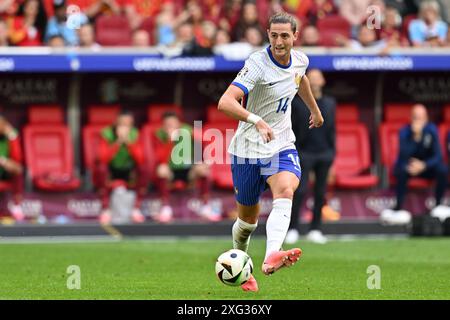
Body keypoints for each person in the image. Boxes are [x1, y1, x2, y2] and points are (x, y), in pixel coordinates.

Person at [217, 12, 323, 292]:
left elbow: (301, 81)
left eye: (285, 35)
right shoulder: (257, 64)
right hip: (247, 149)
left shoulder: (301, 60)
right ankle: (243, 268)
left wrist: (314, 109)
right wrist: (256, 119)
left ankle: (272, 254)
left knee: (286, 189)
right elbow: (225, 102)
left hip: (281, 143)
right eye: (274, 35)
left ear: (295, 36)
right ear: (268, 35)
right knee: (246, 223)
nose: (279, 41)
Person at [285, 69, 335, 245]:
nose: (314, 81)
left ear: (322, 81)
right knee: (299, 191)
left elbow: (332, 131)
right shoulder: (298, 103)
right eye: (310, 78)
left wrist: (332, 154)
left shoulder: (330, 103)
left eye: (316, 78)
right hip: (303, 153)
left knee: (320, 193)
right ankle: (292, 228)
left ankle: (316, 228)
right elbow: (293, 129)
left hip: (324, 154)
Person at [381, 104, 449, 225]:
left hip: (426, 167)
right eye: (415, 117)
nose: (418, 121)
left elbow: (438, 156)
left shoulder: (432, 130)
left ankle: (438, 205)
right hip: (409, 167)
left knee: (442, 169)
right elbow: (403, 155)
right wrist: (416, 137)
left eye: (421, 117)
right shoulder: (404, 132)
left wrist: (424, 165)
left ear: (426, 118)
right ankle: (398, 208)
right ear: (411, 118)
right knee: (401, 170)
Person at [152, 111, 218, 223]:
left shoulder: (188, 131)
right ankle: (165, 208)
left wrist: (205, 161)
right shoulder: (159, 135)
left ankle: (206, 207)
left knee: (203, 170)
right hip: (171, 171)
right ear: (163, 126)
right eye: (167, 124)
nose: (171, 127)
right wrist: (169, 141)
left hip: (189, 171)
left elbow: (203, 144)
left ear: (179, 124)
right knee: (161, 170)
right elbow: (160, 159)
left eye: (173, 124)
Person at [96, 111, 147, 224]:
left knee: (143, 168)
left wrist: (128, 142)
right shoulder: (106, 133)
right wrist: (118, 142)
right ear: (116, 124)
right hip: (112, 169)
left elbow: (140, 158)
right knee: (101, 168)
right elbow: (103, 158)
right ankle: (105, 209)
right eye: (121, 124)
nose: (124, 127)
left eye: (127, 124)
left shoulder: (135, 134)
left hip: (128, 169)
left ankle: (136, 209)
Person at [0, 113, 24, 221]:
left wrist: (12, 137)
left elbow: (17, 159)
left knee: (17, 169)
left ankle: (16, 205)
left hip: (4, 172)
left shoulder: (9, 137)